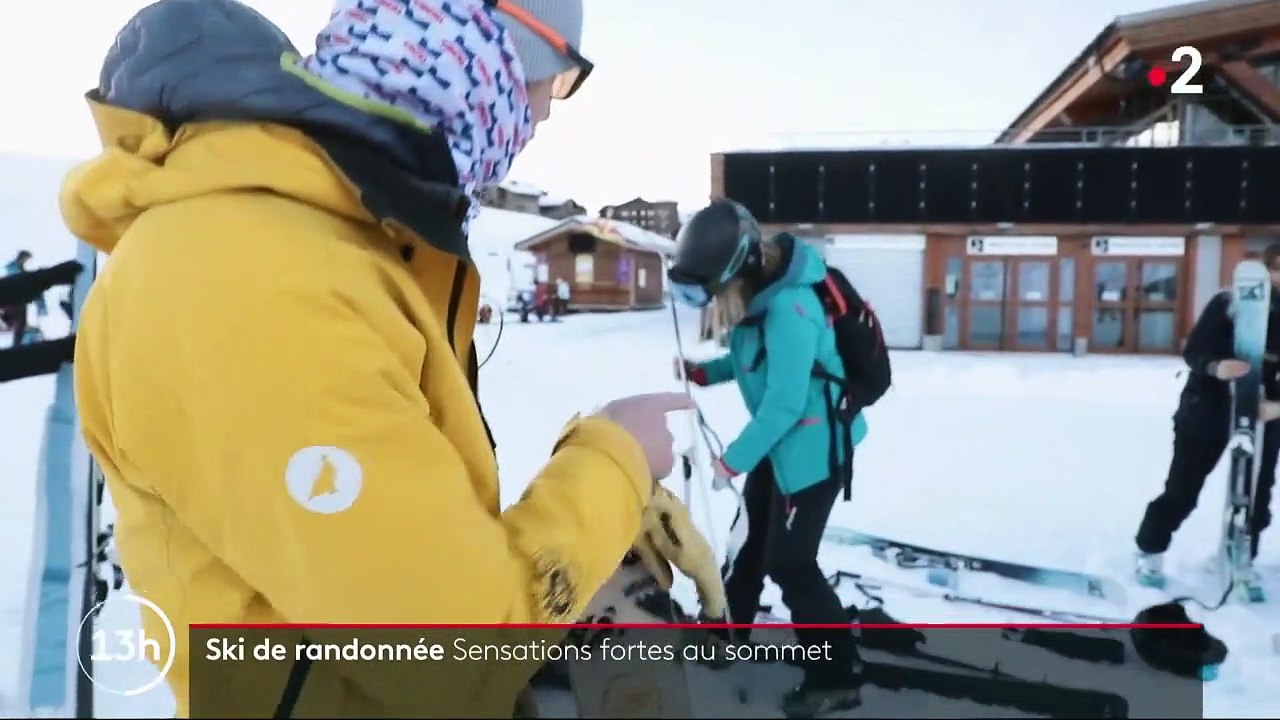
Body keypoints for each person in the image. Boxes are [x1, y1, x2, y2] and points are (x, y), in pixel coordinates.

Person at [59, 0, 696, 716]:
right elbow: (450, 653)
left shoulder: (337, 240)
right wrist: (614, 462)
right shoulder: (250, 270)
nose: (545, 112)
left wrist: (607, 525)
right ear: (475, 43)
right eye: (555, 77)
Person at [666, 199, 869, 717]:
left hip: (814, 455)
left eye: (712, 291)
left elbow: (784, 402)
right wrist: (704, 372)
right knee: (750, 544)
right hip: (780, 449)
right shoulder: (758, 302)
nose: (711, 303)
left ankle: (837, 677)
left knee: (791, 563)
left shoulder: (791, 310)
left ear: (740, 270)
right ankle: (726, 632)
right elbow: (748, 359)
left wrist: (731, 461)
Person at [1134, 242, 1280, 588]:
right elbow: (1195, 351)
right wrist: (1216, 367)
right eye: (1278, 268)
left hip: (1265, 415)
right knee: (1183, 489)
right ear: (1266, 269)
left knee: (1255, 497)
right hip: (1207, 409)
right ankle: (1150, 550)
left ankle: (1239, 558)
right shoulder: (1227, 304)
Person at [2, 250, 47, 346]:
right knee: (19, 328)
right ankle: (16, 349)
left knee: (20, 328)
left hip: (19, 304)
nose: (26, 261)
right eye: (26, 259)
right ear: (22, 258)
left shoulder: (19, 270)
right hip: (14, 304)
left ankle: (17, 348)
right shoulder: (15, 271)